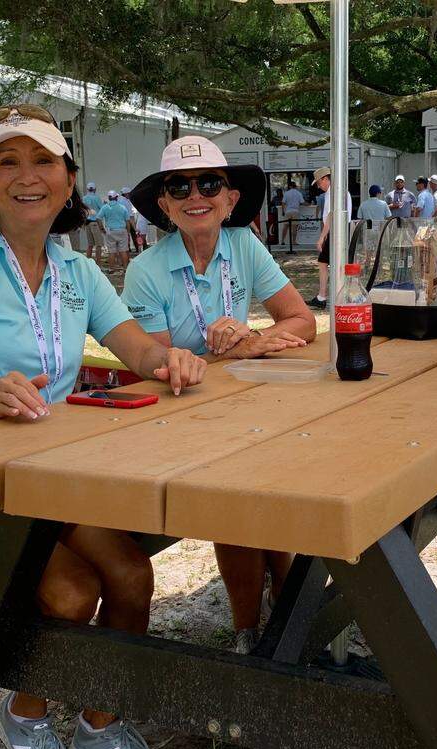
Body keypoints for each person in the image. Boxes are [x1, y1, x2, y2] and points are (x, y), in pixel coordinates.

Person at [0, 104, 206, 749]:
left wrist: (173, 359)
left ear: (69, 181)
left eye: (44, 162)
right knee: (71, 592)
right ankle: (26, 716)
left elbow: (137, 349)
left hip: (40, 479)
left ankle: (99, 727)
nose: (27, 177)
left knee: (129, 575)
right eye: (8, 162)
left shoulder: (75, 269)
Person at [124, 136, 316, 653]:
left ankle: (286, 621)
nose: (196, 195)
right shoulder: (144, 271)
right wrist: (233, 353)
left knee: (285, 484)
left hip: (249, 407)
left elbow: (301, 319)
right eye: (179, 186)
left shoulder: (245, 245)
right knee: (237, 498)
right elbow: (161, 368)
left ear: (231, 198)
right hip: (180, 421)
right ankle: (252, 630)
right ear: (164, 205)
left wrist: (253, 340)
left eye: (210, 182)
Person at [310, 165, 352, 309]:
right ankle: (335, 295)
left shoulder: (333, 192)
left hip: (336, 231)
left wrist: (322, 237)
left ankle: (323, 296)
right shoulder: (338, 191)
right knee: (335, 264)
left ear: (325, 179)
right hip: (339, 230)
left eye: (319, 182)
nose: (319, 186)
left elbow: (331, 215)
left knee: (325, 263)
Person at [98, 189, 133, 270]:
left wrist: (102, 228)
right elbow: (127, 221)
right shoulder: (122, 207)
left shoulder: (105, 207)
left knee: (111, 251)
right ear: (116, 197)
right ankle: (125, 268)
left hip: (110, 231)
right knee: (123, 250)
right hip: (122, 230)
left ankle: (111, 269)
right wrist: (128, 232)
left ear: (109, 198)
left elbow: (98, 218)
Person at [80, 181, 104, 260]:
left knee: (90, 245)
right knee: (98, 244)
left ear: (87, 189)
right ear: (95, 189)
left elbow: (82, 211)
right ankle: (98, 263)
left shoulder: (84, 198)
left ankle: (88, 262)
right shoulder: (96, 198)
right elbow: (102, 209)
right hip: (95, 223)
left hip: (87, 223)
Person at [280, 180, 304, 246]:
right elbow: (302, 202)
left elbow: (283, 203)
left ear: (290, 186)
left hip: (288, 211)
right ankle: (294, 241)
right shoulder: (299, 193)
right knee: (294, 228)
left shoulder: (286, 193)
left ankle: (282, 241)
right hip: (296, 211)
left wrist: (283, 211)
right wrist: (309, 204)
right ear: (295, 186)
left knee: (285, 227)